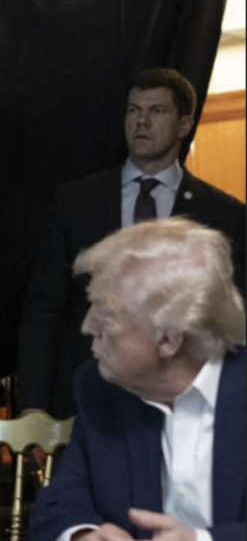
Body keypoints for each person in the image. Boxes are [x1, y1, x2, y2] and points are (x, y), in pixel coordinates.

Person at [28, 217, 245, 541]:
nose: (86, 327)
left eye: (106, 313)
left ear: (169, 339)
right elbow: (60, 503)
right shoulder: (101, 387)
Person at [17, 67, 245, 419]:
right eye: (133, 110)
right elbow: (44, 308)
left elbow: (231, 320)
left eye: (157, 111)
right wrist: (33, 404)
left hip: (184, 404)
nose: (142, 122)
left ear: (184, 125)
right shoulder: (77, 201)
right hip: (87, 399)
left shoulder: (223, 214)